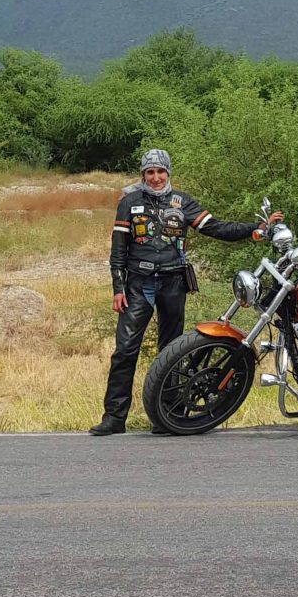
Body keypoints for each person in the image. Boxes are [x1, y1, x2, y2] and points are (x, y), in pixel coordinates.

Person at [92, 148, 274, 436]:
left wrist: (254, 230)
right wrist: (118, 287)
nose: (155, 177)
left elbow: (215, 227)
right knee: (125, 351)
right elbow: (118, 250)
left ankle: (168, 415)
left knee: (171, 351)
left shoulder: (183, 202)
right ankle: (114, 418)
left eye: (160, 172)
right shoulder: (129, 202)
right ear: (143, 174)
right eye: (149, 172)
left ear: (168, 173)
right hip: (138, 285)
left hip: (172, 283)